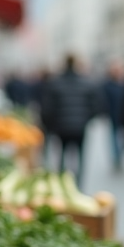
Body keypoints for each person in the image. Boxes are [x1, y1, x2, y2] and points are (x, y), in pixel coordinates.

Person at [39, 54, 100, 188]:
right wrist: (86, 119)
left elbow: (47, 108)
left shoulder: (55, 83)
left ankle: (62, 184)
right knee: (80, 157)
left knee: (61, 156)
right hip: (80, 127)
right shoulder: (87, 83)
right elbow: (96, 106)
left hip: (61, 127)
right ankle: (78, 185)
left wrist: (51, 125)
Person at [100, 58, 124, 172]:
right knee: (114, 139)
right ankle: (117, 159)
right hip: (113, 116)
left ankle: (121, 156)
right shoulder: (107, 85)